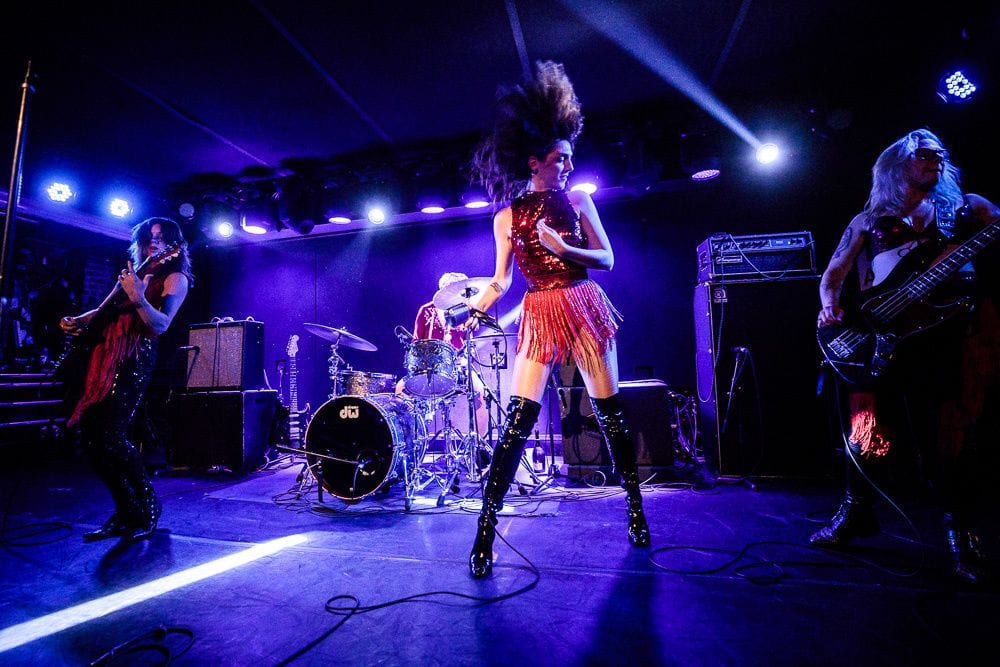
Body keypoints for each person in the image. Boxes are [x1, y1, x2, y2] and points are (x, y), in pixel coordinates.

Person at [464, 61, 649, 579]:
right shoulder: (506, 216)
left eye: (569, 156)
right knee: (518, 420)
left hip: (582, 302)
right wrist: (474, 311)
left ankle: (635, 509)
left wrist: (564, 247)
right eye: (559, 158)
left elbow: (607, 258)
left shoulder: (579, 199)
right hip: (541, 310)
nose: (568, 164)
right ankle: (484, 530)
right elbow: (500, 281)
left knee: (609, 412)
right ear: (535, 161)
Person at [813, 128, 999, 584]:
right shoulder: (869, 219)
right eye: (924, 155)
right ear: (899, 164)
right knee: (865, 430)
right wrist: (830, 305)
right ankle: (857, 512)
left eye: (939, 155)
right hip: (883, 339)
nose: (935, 161)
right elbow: (834, 272)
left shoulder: (966, 208)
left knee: (951, 437)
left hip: (948, 337)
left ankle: (962, 533)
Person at [60, 217, 192, 542]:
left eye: (162, 237)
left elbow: (161, 325)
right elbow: (105, 311)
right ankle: (124, 509)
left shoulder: (175, 278)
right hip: (104, 355)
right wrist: (79, 319)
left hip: (134, 356)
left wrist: (138, 296)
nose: (154, 242)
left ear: (173, 245)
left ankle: (148, 504)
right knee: (91, 438)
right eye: (150, 236)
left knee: (112, 435)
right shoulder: (132, 274)